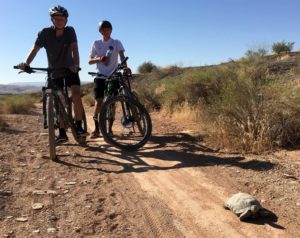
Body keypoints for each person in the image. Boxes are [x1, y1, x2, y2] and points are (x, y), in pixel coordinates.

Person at [17, 5, 87, 144]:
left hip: (70, 69)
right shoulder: (44, 33)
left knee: (76, 94)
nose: (60, 21)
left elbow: (75, 49)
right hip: (55, 71)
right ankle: (62, 133)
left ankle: (79, 126)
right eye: (57, 19)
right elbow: (34, 50)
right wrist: (26, 63)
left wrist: (76, 65)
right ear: (52, 20)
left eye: (62, 19)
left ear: (66, 20)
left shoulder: (70, 31)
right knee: (59, 102)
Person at [88, 20, 131, 138]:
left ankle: (110, 130)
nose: (106, 30)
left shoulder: (117, 42)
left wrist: (125, 68)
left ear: (111, 29)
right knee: (98, 103)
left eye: (108, 28)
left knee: (112, 104)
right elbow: (89, 60)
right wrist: (99, 59)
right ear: (100, 31)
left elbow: (122, 58)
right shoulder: (96, 43)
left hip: (114, 76)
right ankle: (97, 129)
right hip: (100, 76)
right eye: (103, 29)